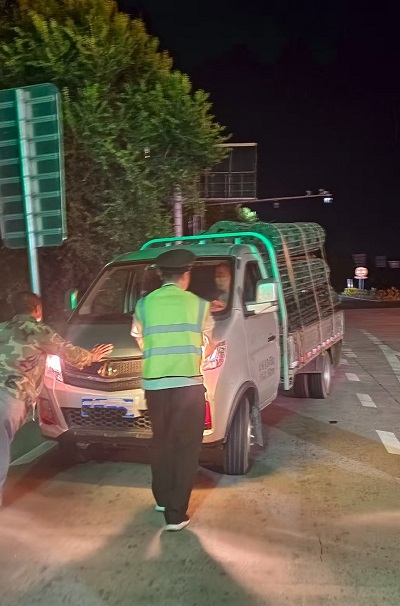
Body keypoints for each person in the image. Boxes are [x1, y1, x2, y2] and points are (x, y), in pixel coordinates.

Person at [0, 291, 113, 507]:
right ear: (37, 309)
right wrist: (92, 356)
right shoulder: (37, 330)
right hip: (9, 397)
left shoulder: (2, 328)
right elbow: (68, 352)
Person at [131, 248, 214, 532]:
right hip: (187, 385)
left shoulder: (144, 305)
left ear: (161, 275)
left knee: (162, 442)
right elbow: (206, 345)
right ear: (186, 275)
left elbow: (139, 338)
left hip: (155, 385)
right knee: (186, 447)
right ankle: (176, 514)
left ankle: (163, 498)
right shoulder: (200, 305)